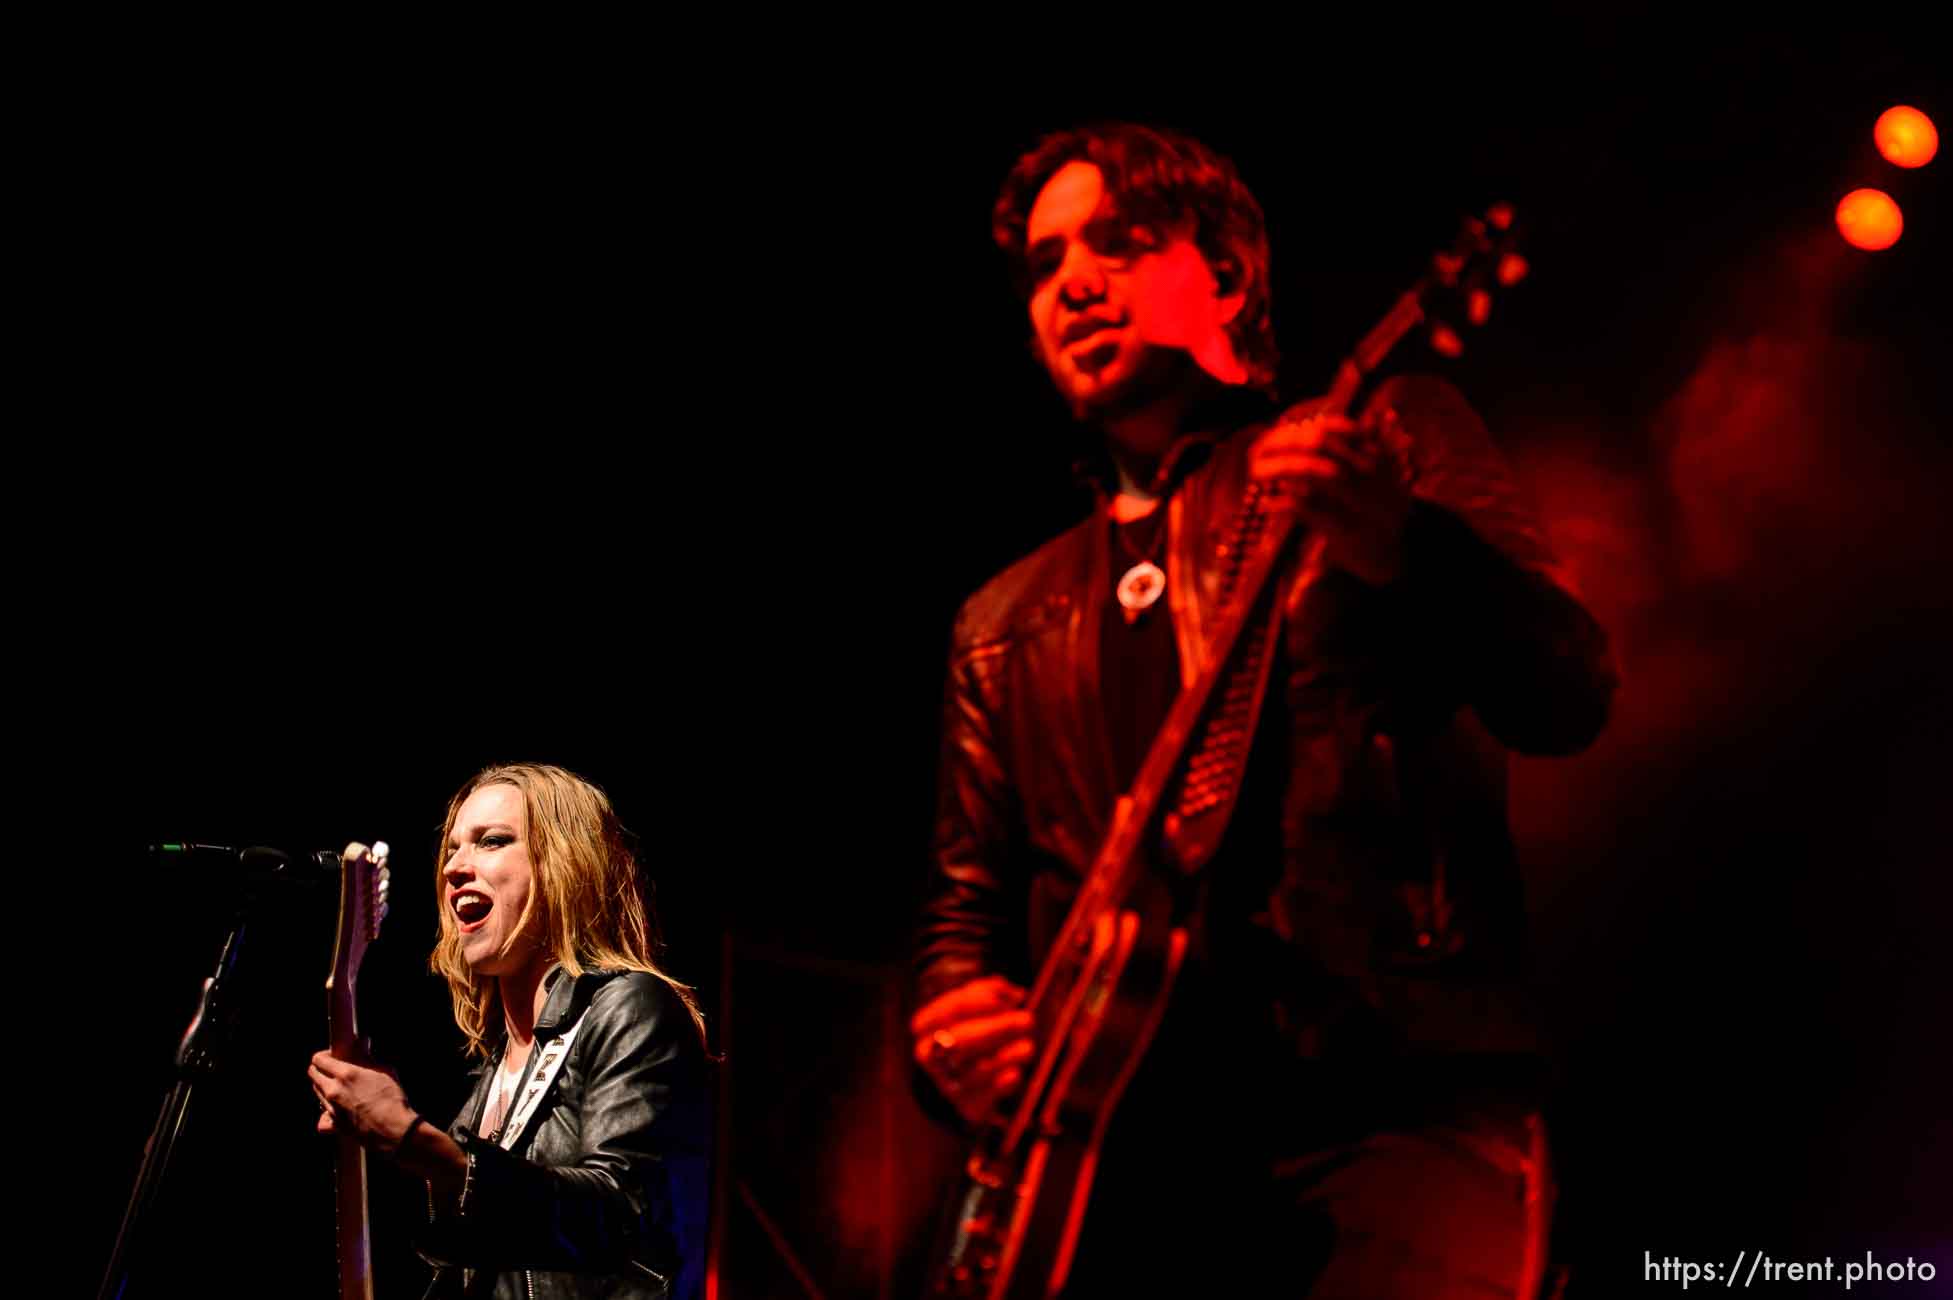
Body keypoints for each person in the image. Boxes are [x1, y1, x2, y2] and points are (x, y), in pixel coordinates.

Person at [910, 123, 1617, 1296]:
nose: (1075, 281)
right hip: (1119, 1169)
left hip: (1391, 1105)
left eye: (1121, 244)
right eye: (1044, 265)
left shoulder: (1390, 434)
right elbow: (963, 909)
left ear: (1229, 278)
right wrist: (948, 1035)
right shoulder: (1002, 616)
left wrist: (1407, 547)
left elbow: (1570, 691)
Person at [310, 762, 711, 1300]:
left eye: (492, 841)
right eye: (452, 849)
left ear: (565, 865)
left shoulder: (629, 1006)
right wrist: (382, 1141)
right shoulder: (493, 1070)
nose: (455, 868)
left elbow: (627, 1217)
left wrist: (415, 1140)